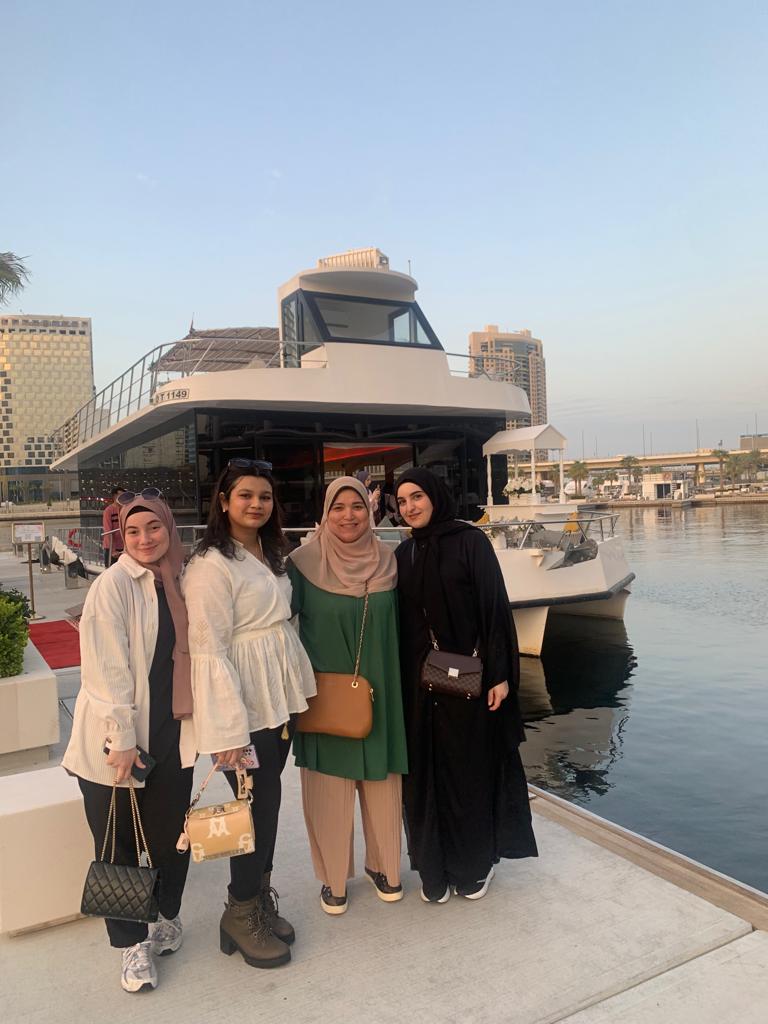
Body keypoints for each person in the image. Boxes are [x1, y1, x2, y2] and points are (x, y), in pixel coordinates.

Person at [182, 459, 316, 969]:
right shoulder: (210, 565)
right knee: (254, 807)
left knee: (268, 801)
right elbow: (208, 648)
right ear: (223, 501)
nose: (256, 504)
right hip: (243, 705)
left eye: (264, 496)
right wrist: (228, 731)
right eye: (245, 495)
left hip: (276, 695)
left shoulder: (269, 552)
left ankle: (257, 900)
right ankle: (239, 912)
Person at [62, 489, 196, 993]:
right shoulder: (114, 585)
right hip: (114, 739)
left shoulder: (180, 580)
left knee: (171, 838)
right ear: (121, 536)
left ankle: (165, 915)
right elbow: (106, 670)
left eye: (154, 528)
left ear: (169, 529)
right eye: (133, 531)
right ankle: (130, 943)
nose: (144, 539)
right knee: (116, 841)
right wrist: (120, 738)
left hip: (172, 730)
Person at [394, 468, 537, 903]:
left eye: (417, 497)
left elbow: (494, 608)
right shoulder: (404, 553)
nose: (410, 507)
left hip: (469, 682)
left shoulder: (470, 542)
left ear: (436, 496)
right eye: (402, 501)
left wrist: (500, 675)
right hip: (419, 686)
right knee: (425, 776)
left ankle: (474, 864)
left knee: (468, 772)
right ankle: (434, 867)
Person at [288, 476, 407, 915]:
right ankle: (333, 879)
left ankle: (385, 868)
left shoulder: (390, 560)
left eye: (357, 506)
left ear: (370, 510)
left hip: (383, 690)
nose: (348, 516)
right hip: (325, 697)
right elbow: (274, 626)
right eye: (337, 507)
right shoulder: (301, 564)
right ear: (325, 513)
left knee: (382, 784)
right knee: (328, 788)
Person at [102, 486, 126, 566]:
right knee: (110, 570)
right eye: (121, 495)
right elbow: (108, 531)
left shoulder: (125, 509)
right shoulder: (108, 511)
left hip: (124, 547)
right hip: (111, 547)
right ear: (115, 496)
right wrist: (113, 550)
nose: (123, 497)